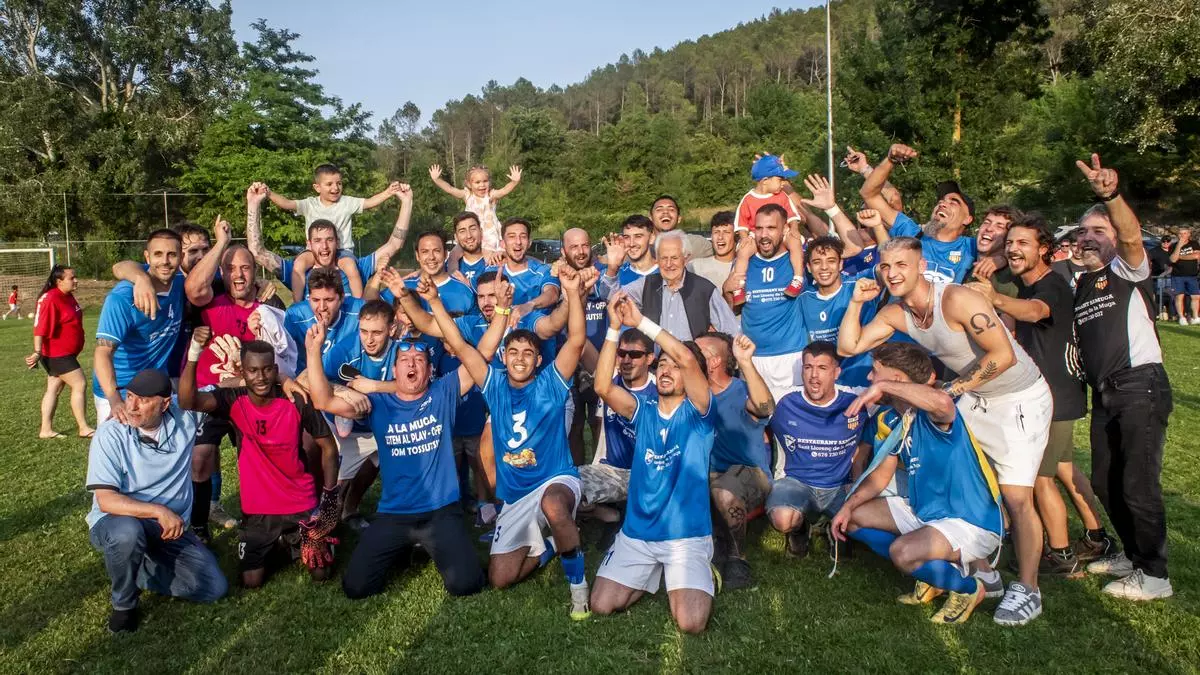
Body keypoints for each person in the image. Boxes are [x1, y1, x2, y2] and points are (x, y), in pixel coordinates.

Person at [837, 236, 1053, 626]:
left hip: (1018, 395)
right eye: (885, 267)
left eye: (901, 265)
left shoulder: (954, 300)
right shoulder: (895, 313)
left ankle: (1029, 589)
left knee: (1017, 495)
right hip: (974, 394)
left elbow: (1002, 355)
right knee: (954, 474)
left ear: (921, 265)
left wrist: (952, 390)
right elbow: (849, 345)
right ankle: (985, 572)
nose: (892, 274)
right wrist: (855, 303)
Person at [429, 267, 590, 616]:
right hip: (516, 497)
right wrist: (432, 302)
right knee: (501, 578)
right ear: (503, 357)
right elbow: (458, 344)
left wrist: (573, 293)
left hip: (555, 480)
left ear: (538, 360)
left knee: (554, 505)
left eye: (528, 353)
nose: (519, 358)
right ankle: (551, 545)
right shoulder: (494, 383)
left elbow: (576, 340)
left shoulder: (551, 382)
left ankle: (579, 590)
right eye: (513, 351)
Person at [306, 303, 489, 600]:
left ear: (430, 371)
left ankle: (429, 548)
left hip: (440, 511)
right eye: (405, 360)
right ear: (395, 369)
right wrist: (313, 352)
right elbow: (322, 401)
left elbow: (484, 355)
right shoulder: (377, 404)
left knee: (466, 585)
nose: (412, 365)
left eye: (419, 360)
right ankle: (407, 549)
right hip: (394, 514)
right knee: (356, 588)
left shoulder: (443, 393)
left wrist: (503, 313)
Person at [966, 215, 1116, 578]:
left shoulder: (1051, 285)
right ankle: (1097, 536)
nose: (1014, 249)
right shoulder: (1030, 281)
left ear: (1044, 250)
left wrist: (995, 297)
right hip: (1057, 394)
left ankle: (1061, 555)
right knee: (1063, 468)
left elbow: (1036, 312)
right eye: (1010, 243)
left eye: (1023, 244)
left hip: (1054, 397)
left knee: (1039, 480)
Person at [830, 343, 1003, 625]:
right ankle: (930, 572)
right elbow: (879, 478)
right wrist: (847, 507)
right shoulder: (894, 417)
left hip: (971, 521)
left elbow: (943, 403)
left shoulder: (933, 410)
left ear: (896, 381)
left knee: (903, 552)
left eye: (876, 373)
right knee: (851, 519)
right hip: (927, 512)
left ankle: (969, 588)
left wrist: (885, 386)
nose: (870, 380)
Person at [1070, 153, 1173, 600]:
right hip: (1106, 393)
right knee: (1104, 481)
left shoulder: (1127, 271)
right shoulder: (1082, 284)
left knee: (1138, 484)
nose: (1089, 238)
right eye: (1084, 232)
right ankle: (1132, 554)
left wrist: (1110, 197)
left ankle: (1155, 574)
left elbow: (1131, 237)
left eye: (1099, 231)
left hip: (1140, 387)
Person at [591, 291, 717, 634]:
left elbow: (689, 360)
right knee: (601, 606)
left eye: (673, 366)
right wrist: (614, 329)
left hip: (686, 536)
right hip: (638, 534)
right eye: (661, 364)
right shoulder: (642, 410)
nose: (666, 370)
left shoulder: (700, 413)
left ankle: (699, 570)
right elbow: (602, 386)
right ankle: (655, 572)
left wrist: (641, 322)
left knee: (690, 624)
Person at [179, 330, 340, 589]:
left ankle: (293, 541)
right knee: (251, 581)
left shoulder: (295, 399)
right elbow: (188, 401)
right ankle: (282, 544)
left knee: (321, 573)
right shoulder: (233, 400)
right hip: (258, 510)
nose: (261, 377)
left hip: (300, 503)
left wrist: (329, 500)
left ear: (275, 369)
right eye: (253, 371)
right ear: (242, 372)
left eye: (267, 370)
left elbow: (328, 447)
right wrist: (194, 353)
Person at [85, 368, 227, 633]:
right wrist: (158, 511)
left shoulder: (184, 413)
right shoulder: (111, 433)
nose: (132, 406)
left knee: (213, 587)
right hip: (118, 521)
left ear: (165, 403)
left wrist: (263, 376)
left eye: (144, 400)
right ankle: (124, 605)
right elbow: (105, 500)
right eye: (130, 396)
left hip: (169, 529)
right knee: (127, 533)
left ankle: (139, 569)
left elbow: (221, 387)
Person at [182, 218, 279, 541]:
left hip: (248, 397)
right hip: (211, 394)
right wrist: (221, 242)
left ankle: (258, 522)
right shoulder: (210, 301)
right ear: (222, 272)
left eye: (246, 268)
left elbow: (282, 352)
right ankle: (198, 526)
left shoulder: (267, 307)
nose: (239, 274)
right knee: (201, 457)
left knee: (254, 462)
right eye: (231, 268)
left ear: (256, 272)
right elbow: (194, 288)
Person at [299, 300, 403, 531]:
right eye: (364, 331)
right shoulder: (346, 349)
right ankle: (321, 519)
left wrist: (373, 386)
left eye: (377, 332)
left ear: (392, 329)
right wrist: (343, 389)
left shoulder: (401, 351)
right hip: (342, 427)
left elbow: (416, 385)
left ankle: (351, 510)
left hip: (378, 428)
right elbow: (305, 379)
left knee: (375, 464)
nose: (369, 339)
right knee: (334, 494)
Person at [764, 341, 867, 560]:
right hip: (796, 481)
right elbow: (754, 402)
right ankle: (800, 529)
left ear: (836, 372)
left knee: (867, 523)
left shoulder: (858, 400)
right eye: (808, 367)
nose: (813, 375)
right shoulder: (784, 399)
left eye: (822, 368)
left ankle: (835, 529)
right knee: (783, 519)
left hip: (841, 485)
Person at [693, 332, 773, 589]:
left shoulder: (740, 390)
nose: (687, 356)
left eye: (697, 352)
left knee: (723, 493)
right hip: (708, 474)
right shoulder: (692, 394)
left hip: (748, 473)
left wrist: (745, 362)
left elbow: (764, 408)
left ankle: (738, 558)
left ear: (714, 361)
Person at [246, 181, 412, 300]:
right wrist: (253, 204)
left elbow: (395, 244)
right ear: (309, 244)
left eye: (329, 240)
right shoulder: (298, 272)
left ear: (337, 243)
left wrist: (406, 202)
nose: (324, 246)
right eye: (317, 240)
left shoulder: (357, 268)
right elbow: (257, 251)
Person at [93, 229, 186, 424]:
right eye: (158, 254)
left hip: (157, 389)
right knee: (119, 452)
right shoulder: (122, 298)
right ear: (147, 256)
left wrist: (261, 283)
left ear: (181, 257)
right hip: (121, 391)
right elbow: (103, 353)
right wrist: (114, 400)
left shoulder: (181, 283)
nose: (165, 261)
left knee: (161, 450)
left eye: (172, 254)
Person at [579, 328, 657, 549]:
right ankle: (612, 516)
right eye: (621, 353)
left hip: (648, 474)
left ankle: (626, 518)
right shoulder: (610, 380)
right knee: (562, 486)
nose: (626, 360)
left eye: (635, 355)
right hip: (611, 471)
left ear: (650, 358)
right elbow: (580, 343)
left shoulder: (660, 389)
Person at [860, 143, 978, 283]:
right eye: (941, 200)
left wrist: (999, 259)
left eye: (953, 202)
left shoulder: (972, 247)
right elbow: (869, 194)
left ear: (967, 219)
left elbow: (1005, 244)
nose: (942, 203)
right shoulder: (910, 232)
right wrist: (890, 160)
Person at [726, 204, 808, 400]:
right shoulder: (744, 261)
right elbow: (732, 309)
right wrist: (726, 289)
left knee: (790, 420)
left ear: (785, 230)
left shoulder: (797, 259)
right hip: (751, 357)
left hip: (791, 357)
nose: (764, 234)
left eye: (771, 228)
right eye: (759, 228)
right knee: (756, 420)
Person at [600, 231, 738, 341]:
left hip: (694, 368)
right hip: (657, 367)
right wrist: (613, 268)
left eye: (674, 258)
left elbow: (731, 331)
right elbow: (611, 297)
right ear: (657, 260)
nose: (668, 264)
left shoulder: (704, 289)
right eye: (664, 258)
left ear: (686, 258)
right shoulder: (646, 285)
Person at [730, 161, 826, 303]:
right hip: (755, 235)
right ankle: (739, 285)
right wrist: (744, 237)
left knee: (794, 242)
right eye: (780, 179)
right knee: (743, 251)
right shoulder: (748, 199)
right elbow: (741, 223)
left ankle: (797, 278)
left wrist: (793, 229)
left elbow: (793, 216)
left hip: (782, 232)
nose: (783, 183)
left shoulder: (781, 196)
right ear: (765, 181)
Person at [798, 229, 881, 388]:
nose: (824, 267)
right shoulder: (803, 299)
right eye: (816, 262)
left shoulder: (859, 285)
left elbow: (885, 267)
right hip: (827, 385)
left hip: (865, 379)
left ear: (841, 264)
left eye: (831, 261)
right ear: (808, 267)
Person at [27, 266, 94, 439]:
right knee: (80, 384)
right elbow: (39, 327)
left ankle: (46, 430)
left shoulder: (67, 296)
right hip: (57, 354)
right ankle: (83, 427)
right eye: (72, 278)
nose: (76, 280)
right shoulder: (50, 298)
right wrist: (37, 351)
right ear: (59, 281)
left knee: (53, 388)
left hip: (66, 353)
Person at [430, 163, 522, 257]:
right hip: (471, 233)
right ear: (469, 184)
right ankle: (453, 270)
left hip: (489, 235)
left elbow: (504, 190)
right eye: (477, 182)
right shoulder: (468, 196)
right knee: (454, 254)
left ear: (489, 182)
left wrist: (514, 182)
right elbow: (450, 189)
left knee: (489, 256)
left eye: (485, 181)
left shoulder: (491, 195)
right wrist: (437, 179)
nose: (482, 185)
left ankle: (490, 269)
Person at [284, 267, 364, 373]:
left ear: (342, 298)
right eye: (315, 300)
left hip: (348, 379)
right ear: (309, 298)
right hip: (307, 380)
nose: (322, 307)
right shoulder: (295, 316)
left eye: (329, 300)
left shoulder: (359, 311)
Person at [486, 217, 560, 317]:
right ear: (503, 243)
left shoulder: (543, 271)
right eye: (512, 236)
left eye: (523, 236)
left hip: (535, 331)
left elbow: (552, 294)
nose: (518, 242)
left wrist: (529, 305)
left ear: (529, 243)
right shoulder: (491, 272)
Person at [650, 194, 714, 258]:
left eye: (671, 209)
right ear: (651, 218)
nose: (665, 212)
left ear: (679, 218)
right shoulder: (643, 247)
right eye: (659, 209)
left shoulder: (698, 244)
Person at [602, 215, 658, 285]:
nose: (631, 244)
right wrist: (612, 268)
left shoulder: (667, 271)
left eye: (638, 236)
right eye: (627, 237)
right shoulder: (615, 274)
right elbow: (604, 295)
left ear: (651, 238)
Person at [689, 211, 736, 290]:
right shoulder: (695, 266)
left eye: (726, 232)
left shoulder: (745, 267)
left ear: (736, 236)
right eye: (716, 232)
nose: (720, 237)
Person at [447, 211, 493, 287]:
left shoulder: (494, 261)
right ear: (456, 237)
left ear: (481, 231)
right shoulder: (447, 266)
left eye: (473, 229)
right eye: (462, 231)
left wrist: (468, 284)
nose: (469, 236)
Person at [1169, 228, 1199, 325]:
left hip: (1192, 275)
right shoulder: (1173, 246)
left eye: (1184, 233)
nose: (1182, 235)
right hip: (1178, 275)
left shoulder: (1194, 244)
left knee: (1196, 296)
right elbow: (1173, 260)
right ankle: (1182, 318)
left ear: (1189, 234)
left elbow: (1196, 256)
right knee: (1179, 297)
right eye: (1180, 233)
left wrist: (1180, 257)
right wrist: (1179, 246)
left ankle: (1195, 317)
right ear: (1177, 235)